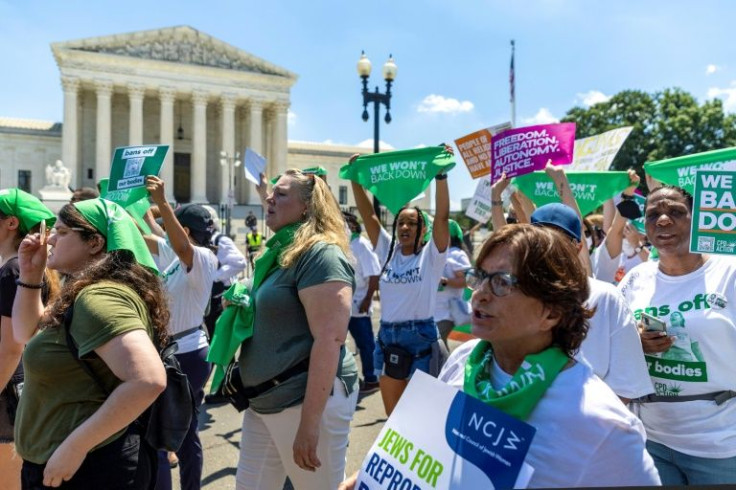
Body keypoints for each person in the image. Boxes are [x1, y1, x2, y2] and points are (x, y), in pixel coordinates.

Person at [341, 225, 660, 489]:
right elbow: (421, 448)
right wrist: (368, 475)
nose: (478, 293)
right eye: (479, 276)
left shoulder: (605, 427)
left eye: (502, 283)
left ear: (550, 312)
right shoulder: (464, 358)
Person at [12, 198, 167, 489]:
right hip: (76, 463)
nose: (50, 239)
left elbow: (148, 380)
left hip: (87, 468)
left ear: (95, 242)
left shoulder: (99, 298)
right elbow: (26, 334)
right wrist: (30, 274)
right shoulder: (85, 290)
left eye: (62, 232)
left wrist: (74, 448)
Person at [234, 169, 358, 489]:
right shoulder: (280, 253)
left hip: (302, 403)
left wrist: (309, 424)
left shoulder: (321, 254)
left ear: (307, 206)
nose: (269, 198)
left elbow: (330, 339)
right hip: (263, 402)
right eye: (271, 191)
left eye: (282, 194)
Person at [618, 184, 736, 485]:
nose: (663, 220)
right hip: (653, 441)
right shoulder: (636, 279)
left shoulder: (730, 272)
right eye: (653, 214)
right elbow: (612, 342)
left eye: (676, 212)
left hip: (722, 445)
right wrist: (636, 343)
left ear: (697, 220)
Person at [350, 151, 450, 416]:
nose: (405, 227)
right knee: (394, 417)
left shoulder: (432, 257)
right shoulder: (387, 251)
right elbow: (368, 216)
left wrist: (441, 176)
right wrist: (355, 178)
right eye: (401, 223)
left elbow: (441, 217)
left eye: (412, 223)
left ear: (423, 230)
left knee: (422, 416)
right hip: (387, 337)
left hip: (421, 339)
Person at [143, 177, 218, 490]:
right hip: (173, 353)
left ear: (185, 231)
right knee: (181, 434)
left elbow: (180, 246)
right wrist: (129, 210)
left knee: (164, 434)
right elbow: (143, 236)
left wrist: (162, 203)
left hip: (187, 354)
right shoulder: (174, 256)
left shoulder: (201, 258)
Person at [0, 189, 57, 490]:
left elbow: (10, 347)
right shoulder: (15, 268)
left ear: (10, 223)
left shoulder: (12, 271)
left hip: (7, 390)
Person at [342, 211, 381, 395]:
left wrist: (367, 299)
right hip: (344, 306)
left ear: (352, 225)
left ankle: (372, 378)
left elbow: (374, 274)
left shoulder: (362, 245)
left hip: (359, 306)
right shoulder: (344, 245)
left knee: (365, 343)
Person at [434, 219, 471, 345]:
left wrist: (445, 281)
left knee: (436, 346)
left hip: (446, 313)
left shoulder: (457, 254)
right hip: (432, 313)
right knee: (437, 348)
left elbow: (468, 281)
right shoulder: (436, 254)